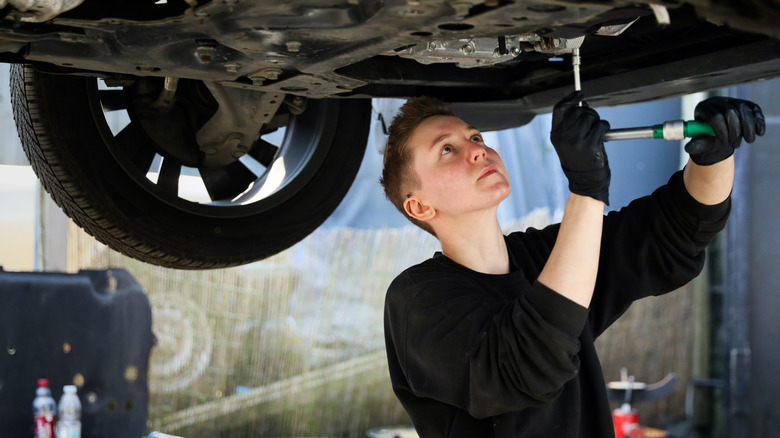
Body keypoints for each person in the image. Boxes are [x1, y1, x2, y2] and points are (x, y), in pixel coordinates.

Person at [379, 91, 765, 437]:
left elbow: (672, 234)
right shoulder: (416, 300)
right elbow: (528, 366)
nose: (478, 150)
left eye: (475, 137)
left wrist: (715, 155)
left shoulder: (544, 256)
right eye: (447, 149)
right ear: (420, 206)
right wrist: (586, 190)